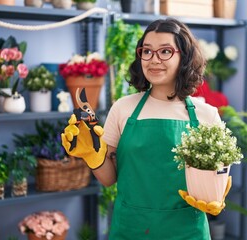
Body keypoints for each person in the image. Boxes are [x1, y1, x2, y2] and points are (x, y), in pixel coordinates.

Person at [62, 18, 222, 239]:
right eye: (147, 51)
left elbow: (215, 179)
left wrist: (216, 196)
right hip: (131, 229)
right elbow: (109, 179)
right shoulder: (123, 108)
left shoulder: (206, 114)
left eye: (165, 51)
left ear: (183, 57)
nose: (154, 60)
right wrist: (92, 155)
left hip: (186, 231)